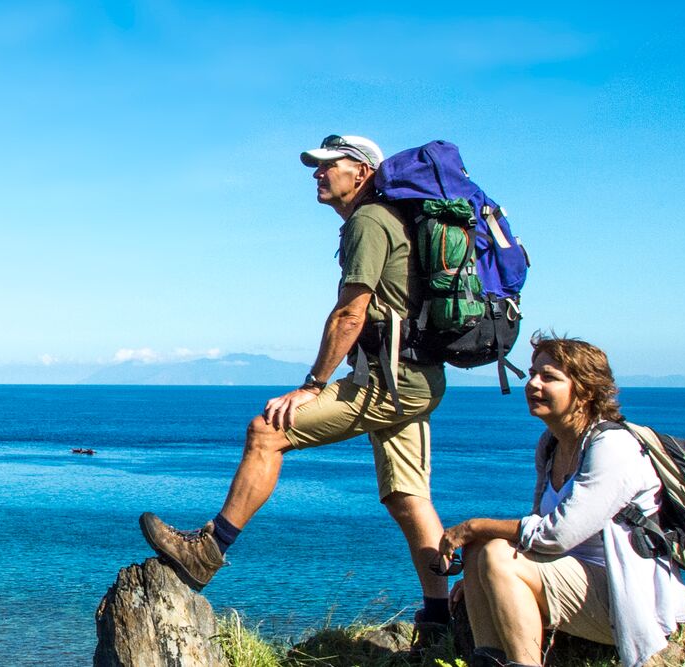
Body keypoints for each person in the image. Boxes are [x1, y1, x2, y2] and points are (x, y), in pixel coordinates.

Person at [139, 134, 456, 628]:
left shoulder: (369, 221)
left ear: (363, 172)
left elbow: (351, 313)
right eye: (316, 166)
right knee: (408, 497)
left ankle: (209, 550)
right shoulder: (387, 220)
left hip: (391, 382)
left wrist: (312, 384)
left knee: (266, 431)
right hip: (416, 380)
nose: (318, 172)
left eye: (330, 165)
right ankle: (442, 619)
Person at [436, 335, 685, 667]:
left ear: (586, 391)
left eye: (549, 377)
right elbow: (535, 532)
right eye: (532, 373)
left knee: (495, 551)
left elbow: (555, 535)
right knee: (480, 552)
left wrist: (475, 526)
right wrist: (477, 580)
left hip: (623, 596)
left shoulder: (613, 448)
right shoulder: (551, 444)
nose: (532, 384)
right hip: (575, 580)